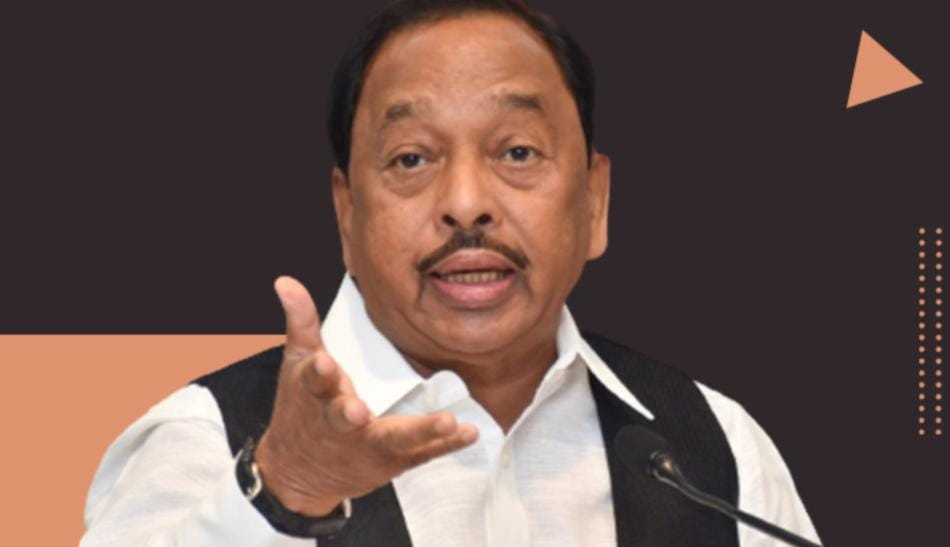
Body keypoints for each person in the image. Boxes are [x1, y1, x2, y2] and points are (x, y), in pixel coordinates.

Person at [81, 1, 821, 545]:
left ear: (595, 201)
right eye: (412, 158)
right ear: (346, 212)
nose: (466, 203)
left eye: (518, 152)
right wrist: (286, 494)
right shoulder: (203, 439)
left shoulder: (714, 448)